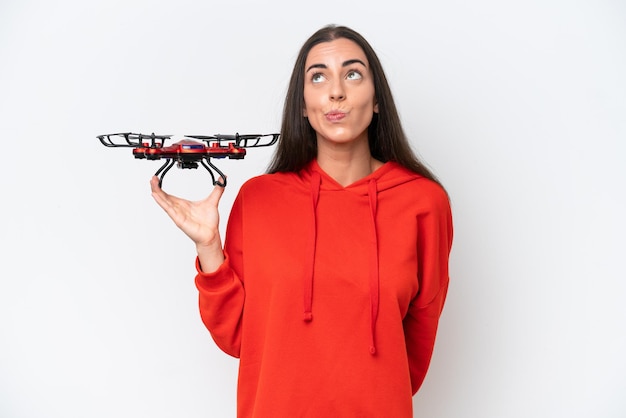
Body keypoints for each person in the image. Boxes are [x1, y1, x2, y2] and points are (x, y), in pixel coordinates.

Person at [151, 24, 453, 418]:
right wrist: (209, 247)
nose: (336, 91)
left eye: (353, 73)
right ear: (302, 103)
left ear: (377, 99)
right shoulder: (258, 199)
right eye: (318, 77)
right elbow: (239, 336)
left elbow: (415, 346)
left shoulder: (423, 202)